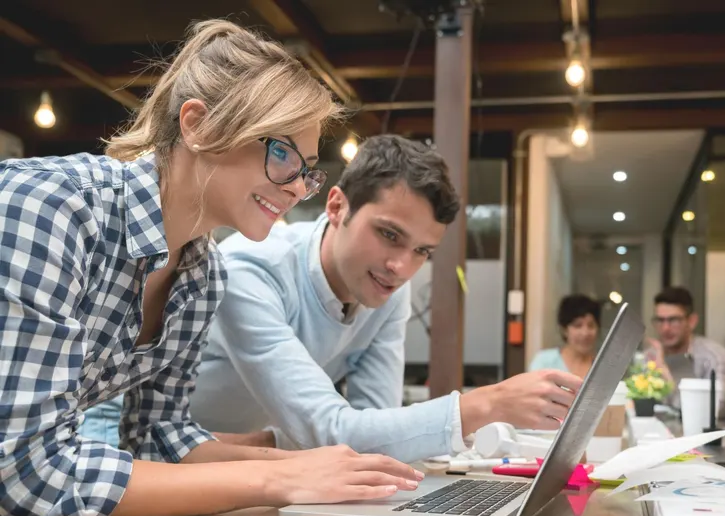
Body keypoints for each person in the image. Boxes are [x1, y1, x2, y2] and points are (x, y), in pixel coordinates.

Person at [0, 20, 422, 516]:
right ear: (198, 125)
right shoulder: (48, 208)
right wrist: (278, 481)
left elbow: (160, 436)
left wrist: (311, 467)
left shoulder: (201, 276)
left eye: (308, 170)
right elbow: (26, 471)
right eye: (283, 153)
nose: (296, 188)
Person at [81, 135, 581, 463]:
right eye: (389, 235)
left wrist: (295, 444)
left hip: (254, 456)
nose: (401, 267)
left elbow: (371, 433)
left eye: (422, 252)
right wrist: (485, 403)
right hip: (147, 447)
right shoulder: (251, 268)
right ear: (337, 205)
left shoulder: (384, 289)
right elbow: (335, 429)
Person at [651, 286, 725, 406]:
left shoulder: (712, 355)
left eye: (674, 320)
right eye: (660, 320)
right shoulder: (651, 355)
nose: (665, 328)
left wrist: (665, 375)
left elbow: (714, 406)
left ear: (692, 321)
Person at [528, 294, 601, 378]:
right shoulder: (544, 361)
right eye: (578, 325)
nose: (585, 333)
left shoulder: (602, 368)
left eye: (591, 325)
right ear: (564, 330)